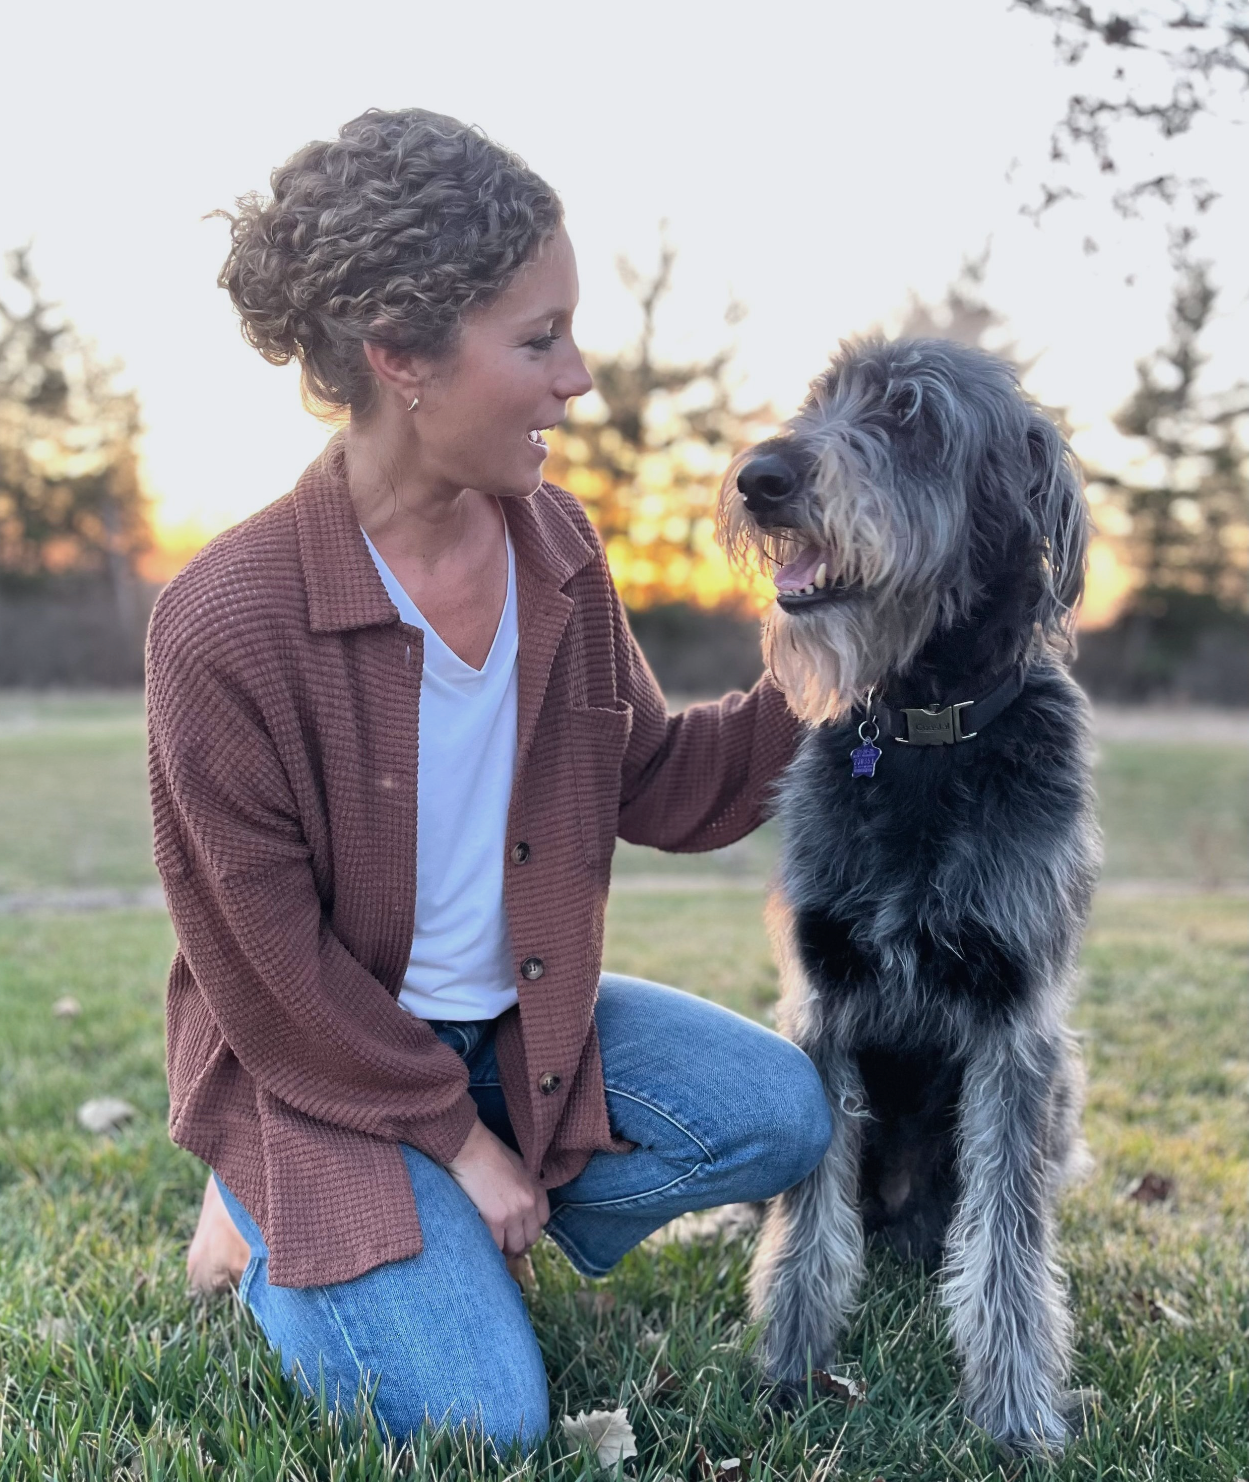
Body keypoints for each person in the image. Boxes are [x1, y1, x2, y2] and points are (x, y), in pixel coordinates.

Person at [146, 106, 832, 1456]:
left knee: (781, 1111)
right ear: (401, 356)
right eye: (539, 338)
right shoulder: (224, 623)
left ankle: (421, 1219)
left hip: (522, 1032)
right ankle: (266, 1215)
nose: (577, 376)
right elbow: (273, 972)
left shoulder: (554, 544)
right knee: (488, 1416)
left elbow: (658, 779)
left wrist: (823, 673)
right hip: (320, 1064)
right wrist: (461, 1145)